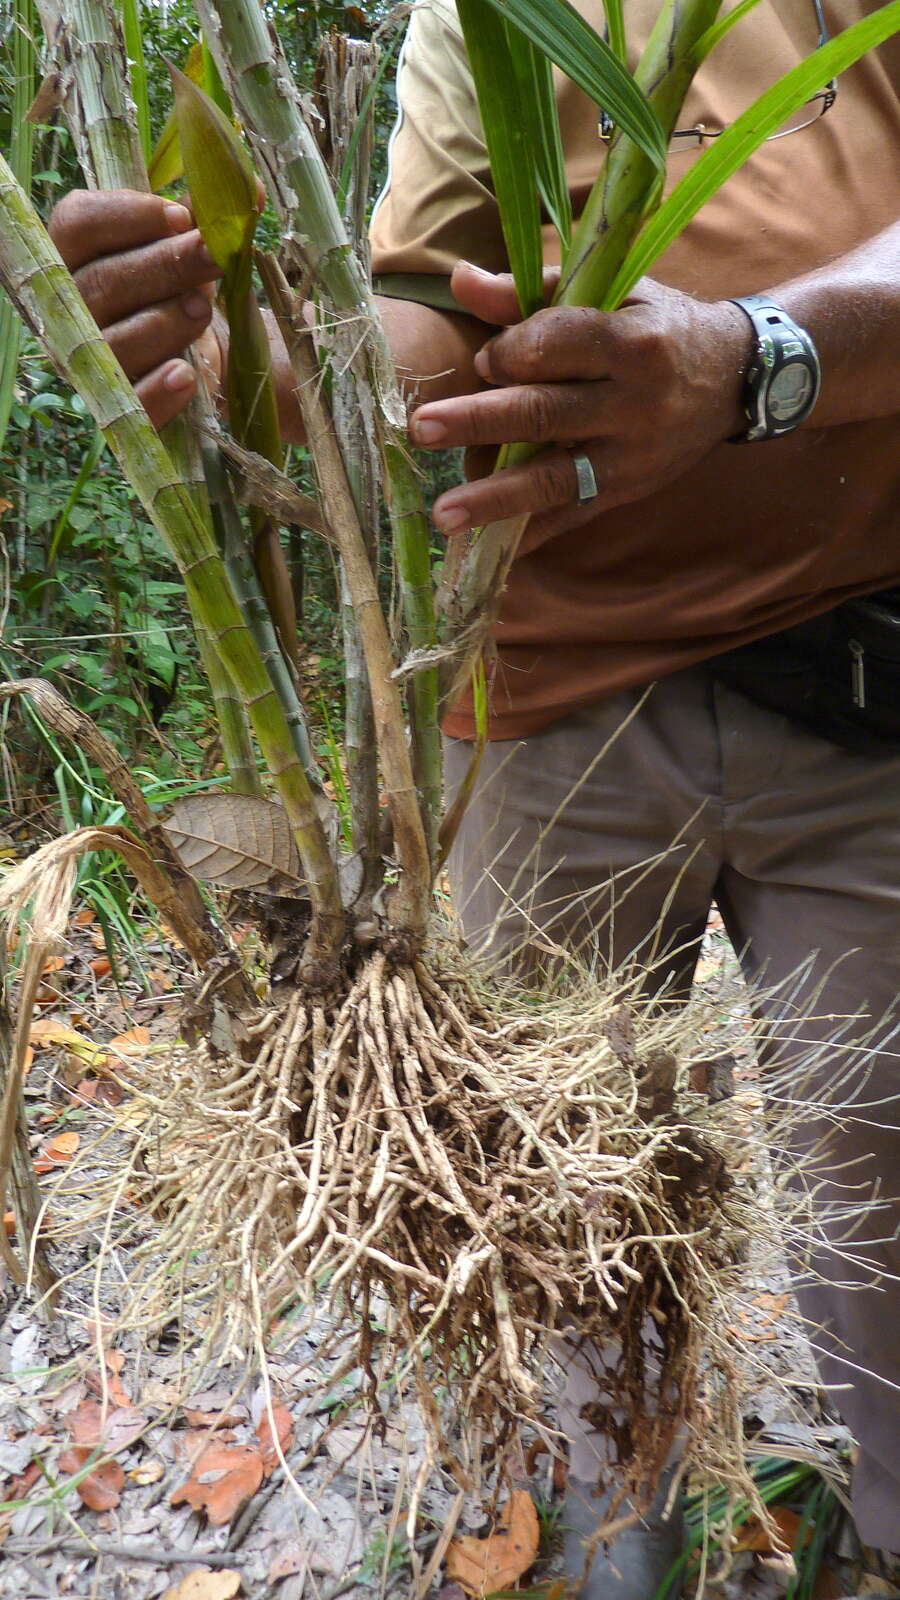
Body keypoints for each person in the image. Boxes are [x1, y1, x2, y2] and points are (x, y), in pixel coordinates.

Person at [49, 0, 900, 1582]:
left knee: (891, 1201)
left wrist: (746, 364)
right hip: (551, 697)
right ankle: (600, 1552)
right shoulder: (494, 23)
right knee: (543, 1244)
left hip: (862, 683)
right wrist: (244, 360)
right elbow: (420, 335)